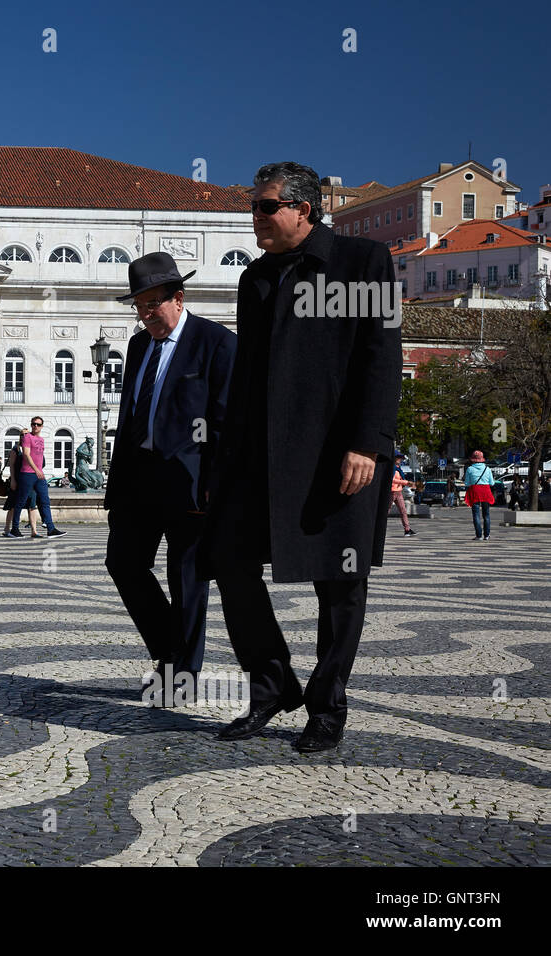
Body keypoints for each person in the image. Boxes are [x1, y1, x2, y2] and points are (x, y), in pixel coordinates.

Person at [202, 161, 401, 754]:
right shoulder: (255, 278)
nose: (254, 217)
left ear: (302, 210)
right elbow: (246, 378)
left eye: (264, 207)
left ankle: (328, 702)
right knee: (230, 563)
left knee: (339, 582)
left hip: (338, 454)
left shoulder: (362, 262)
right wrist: (222, 462)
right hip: (257, 456)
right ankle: (271, 686)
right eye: (253, 206)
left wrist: (368, 442)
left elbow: (380, 356)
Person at [104, 251, 236, 706]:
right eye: (138, 307)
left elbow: (224, 422)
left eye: (152, 305)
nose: (145, 315)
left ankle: (181, 674)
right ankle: (168, 652)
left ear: (178, 298)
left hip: (189, 481)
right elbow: (129, 415)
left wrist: (213, 481)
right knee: (122, 564)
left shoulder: (216, 343)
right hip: (137, 479)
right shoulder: (139, 346)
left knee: (187, 578)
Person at [8, 417, 66, 538]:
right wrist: (36, 470)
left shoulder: (41, 439)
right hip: (27, 474)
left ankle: (51, 529)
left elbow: (39, 458)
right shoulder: (27, 437)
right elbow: (26, 455)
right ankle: (14, 529)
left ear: (41, 426)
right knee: (21, 501)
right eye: (33, 424)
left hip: (39, 475)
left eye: (38, 424)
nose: (35, 426)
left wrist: (39, 471)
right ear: (31, 425)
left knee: (45, 501)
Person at [2, 444, 40, 537]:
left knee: (32, 506)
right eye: (22, 434)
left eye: (26, 434)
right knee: (13, 505)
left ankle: (34, 531)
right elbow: (11, 466)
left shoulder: (33, 448)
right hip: (18, 480)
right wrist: (13, 480)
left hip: (30, 480)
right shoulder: (16, 449)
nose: (24, 436)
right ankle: (7, 529)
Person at [464, 450, 495, 540]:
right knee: (486, 514)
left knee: (476, 514)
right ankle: (487, 535)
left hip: (475, 491)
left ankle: (479, 535)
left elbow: (467, 483)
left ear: (473, 459)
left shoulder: (470, 469)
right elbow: (492, 483)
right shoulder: (487, 469)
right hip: (485, 491)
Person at [390, 453, 416, 536]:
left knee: (403, 511)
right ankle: (377, 528)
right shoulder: (392, 468)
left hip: (398, 492)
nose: (400, 459)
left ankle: (407, 530)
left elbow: (401, 479)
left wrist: (409, 483)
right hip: (392, 492)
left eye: (401, 458)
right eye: (398, 457)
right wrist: (406, 482)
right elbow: (392, 480)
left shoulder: (399, 469)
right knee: (386, 511)